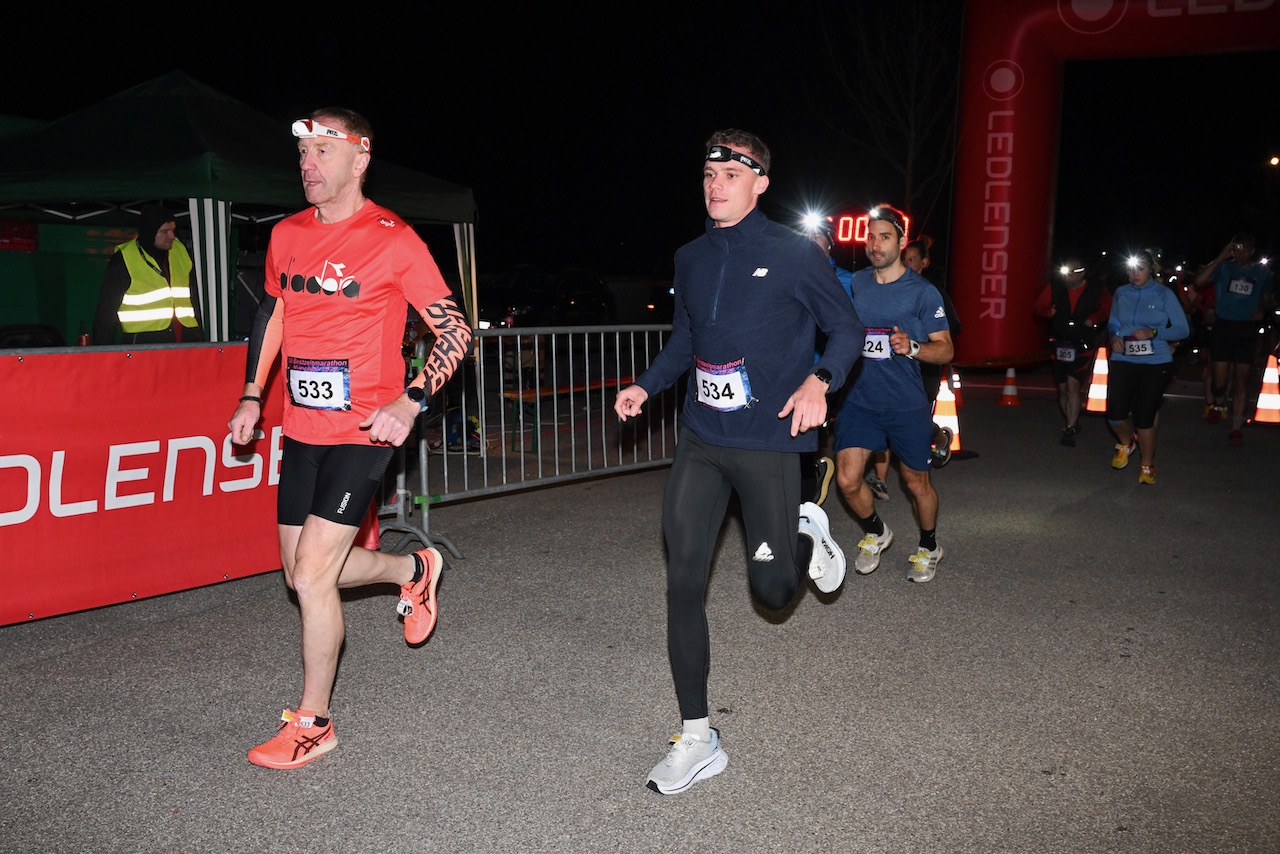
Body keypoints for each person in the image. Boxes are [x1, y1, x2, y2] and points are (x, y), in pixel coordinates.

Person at [613, 129, 863, 795]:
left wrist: (820, 382)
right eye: (709, 171)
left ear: (760, 183)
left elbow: (846, 329)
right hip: (701, 439)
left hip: (769, 442)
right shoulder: (690, 256)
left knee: (773, 593)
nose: (716, 181)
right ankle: (697, 735)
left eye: (732, 171)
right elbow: (687, 341)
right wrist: (647, 384)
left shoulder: (794, 255)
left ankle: (802, 533)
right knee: (682, 581)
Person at [226, 108, 472, 769]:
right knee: (301, 571)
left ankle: (314, 721)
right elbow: (273, 314)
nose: (308, 164)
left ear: (359, 160)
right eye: (302, 153)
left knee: (311, 576)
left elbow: (456, 333)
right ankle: (411, 569)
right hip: (301, 430)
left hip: (365, 432)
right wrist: (253, 394)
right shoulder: (285, 236)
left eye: (322, 152)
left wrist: (410, 399)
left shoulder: (393, 239)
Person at [833, 205, 953, 584]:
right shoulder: (859, 283)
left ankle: (929, 545)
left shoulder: (922, 292)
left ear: (901, 242)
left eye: (884, 236)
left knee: (916, 483)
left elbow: (946, 349)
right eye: (870, 237)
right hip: (861, 399)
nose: (875, 244)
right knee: (848, 479)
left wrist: (913, 347)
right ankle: (876, 532)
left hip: (904, 402)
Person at [864, 233, 959, 497]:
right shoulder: (888, 288)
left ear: (925, 263)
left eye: (913, 260)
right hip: (891, 368)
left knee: (915, 421)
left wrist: (920, 340)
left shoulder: (931, 292)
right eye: (905, 259)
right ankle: (880, 479)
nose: (908, 264)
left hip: (924, 369)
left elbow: (953, 328)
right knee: (885, 417)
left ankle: (939, 437)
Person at [1104, 249, 1189, 484]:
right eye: (1130, 269)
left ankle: (1147, 464)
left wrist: (1153, 332)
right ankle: (1126, 443)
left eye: (1140, 269)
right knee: (1114, 413)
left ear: (1151, 269)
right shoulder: (1121, 293)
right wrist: (1114, 337)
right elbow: (1113, 322)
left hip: (1156, 361)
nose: (1134, 274)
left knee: (1144, 416)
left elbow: (1183, 329)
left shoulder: (1164, 294)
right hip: (1123, 358)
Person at [1194, 232, 1275, 445]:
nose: (1241, 253)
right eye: (1238, 248)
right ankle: (1219, 403)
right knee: (1219, 382)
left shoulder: (1262, 272)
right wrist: (1220, 257)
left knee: (1241, 378)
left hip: (1246, 329)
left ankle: (1236, 428)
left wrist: (1262, 310)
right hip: (1223, 326)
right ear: (1232, 249)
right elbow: (1199, 281)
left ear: (1252, 251)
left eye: (1246, 249)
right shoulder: (1224, 267)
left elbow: (1267, 300)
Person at [92, 204, 203, 345]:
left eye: (173, 230)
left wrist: (199, 336)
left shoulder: (180, 251)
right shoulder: (124, 259)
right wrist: (104, 357)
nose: (171, 236)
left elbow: (195, 299)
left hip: (186, 340)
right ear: (150, 232)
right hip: (143, 345)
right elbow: (105, 314)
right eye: (165, 231)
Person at [1033, 254, 1112, 445]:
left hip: (1082, 345)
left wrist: (1093, 319)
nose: (1067, 278)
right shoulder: (1055, 286)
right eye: (1064, 273)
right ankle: (1071, 420)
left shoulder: (1097, 288)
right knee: (1062, 389)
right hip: (1059, 345)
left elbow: (1108, 308)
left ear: (1082, 273)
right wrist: (1047, 312)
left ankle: (1070, 427)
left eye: (1071, 274)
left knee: (1073, 386)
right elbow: (1038, 307)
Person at [804, 216, 853, 505]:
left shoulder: (849, 281)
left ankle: (806, 502)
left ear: (830, 243)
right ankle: (815, 473)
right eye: (805, 237)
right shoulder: (788, 275)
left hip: (826, 371)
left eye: (817, 237)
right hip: (789, 370)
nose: (810, 243)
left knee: (807, 431)